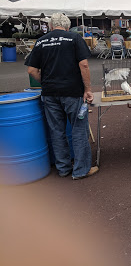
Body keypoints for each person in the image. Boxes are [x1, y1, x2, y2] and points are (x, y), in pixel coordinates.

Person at [26, 13, 98, 180]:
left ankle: (63, 168)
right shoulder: (74, 38)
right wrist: (87, 88)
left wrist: (45, 83)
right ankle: (81, 170)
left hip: (50, 93)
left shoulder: (41, 41)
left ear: (51, 26)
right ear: (67, 26)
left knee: (57, 131)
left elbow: (31, 70)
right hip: (72, 91)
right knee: (79, 130)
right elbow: (84, 64)